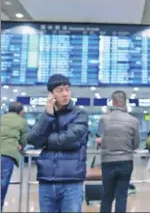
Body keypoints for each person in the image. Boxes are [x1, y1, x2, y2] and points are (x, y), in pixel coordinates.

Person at [27, 74, 89, 213]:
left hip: (72, 181)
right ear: (51, 94)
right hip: (47, 181)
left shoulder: (80, 114)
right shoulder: (44, 116)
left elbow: (68, 140)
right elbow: (32, 140)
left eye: (67, 89)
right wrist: (48, 115)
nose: (65, 94)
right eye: (60, 90)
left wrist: (45, 141)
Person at [97, 90, 140, 213]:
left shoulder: (104, 119)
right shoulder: (134, 121)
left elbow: (99, 140)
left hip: (107, 162)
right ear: (125, 102)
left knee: (106, 197)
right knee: (122, 197)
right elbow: (136, 144)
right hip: (126, 162)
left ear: (113, 102)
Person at [0, 102, 28, 211]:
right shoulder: (22, 121)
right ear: (21, 111)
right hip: (8, 154)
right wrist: (21, 146)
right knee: (2, 187)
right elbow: (24, 139)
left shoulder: (2, 118)